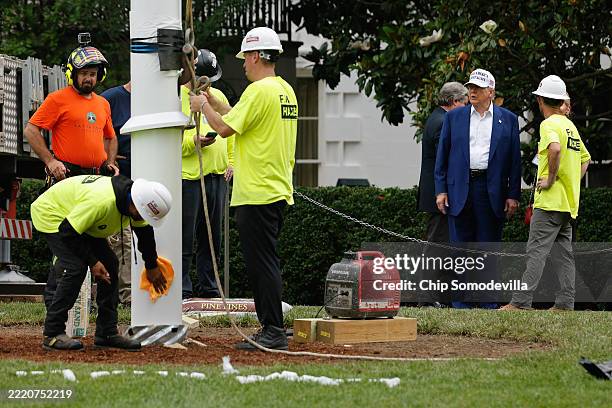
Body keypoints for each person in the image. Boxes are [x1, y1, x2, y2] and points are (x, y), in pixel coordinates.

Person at [190, 27, 297, 350]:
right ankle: (273, 327)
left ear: (254, 56)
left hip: (256, 192)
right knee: (267, 261)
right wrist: (214, 103)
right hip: (275, 188)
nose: (243, 66)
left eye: (244, 59)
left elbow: (223, 128)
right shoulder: (284, 90)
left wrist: (200, 105)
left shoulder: (257, 91)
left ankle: (273, 331)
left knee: (261, 264)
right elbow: (237, 118)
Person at [24, 44, 120, 310]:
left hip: (94, 181)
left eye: (93, 73)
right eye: (84, 73)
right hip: (66, 177)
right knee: (67, 246)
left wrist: (110, 163)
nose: (89, 78)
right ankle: (54, 304)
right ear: (73, 74)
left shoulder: (102, 103)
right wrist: (50, 160)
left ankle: (98, 317)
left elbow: (111, 137)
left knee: (94, 245)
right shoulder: (57, 99)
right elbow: (31, 130)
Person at [31, 174, 172, 351]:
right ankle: (52, 333)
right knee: (75, 267)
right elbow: (68, 232)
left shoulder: (136, 202)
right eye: (142, 214)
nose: (141, 218)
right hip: (54, 215)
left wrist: (151, 265)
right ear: (135, 204)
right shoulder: (101, 202)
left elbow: (145, 235)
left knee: (111, 265)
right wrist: (93, 262)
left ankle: (107, 332)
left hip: (80, 220)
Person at [501, 76, 590, 311]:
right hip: (568, 205)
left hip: (549, 203)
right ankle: (564, 304)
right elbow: (585, 159)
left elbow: (555, 148)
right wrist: (571, 183)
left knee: (536, 252)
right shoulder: (570, 126)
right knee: (563, 255)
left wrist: (550, 180)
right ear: (561, 100)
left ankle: (520, 302)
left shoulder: (549, 124)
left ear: (540, 100)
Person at [434, 68, 521, 308]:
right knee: (460, 249)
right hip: (459, 188)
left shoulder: (509, 119)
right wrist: (441, 189)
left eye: (478, 88)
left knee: (488, 247)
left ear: (490, 92)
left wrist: (513, 194)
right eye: (470, 87)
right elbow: (443, 155)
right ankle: (461, 303)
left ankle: (487, 303)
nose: (472, 91)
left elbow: (515, 161)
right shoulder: (455, 117)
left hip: (490, 189)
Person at [181, 49, 234, 299]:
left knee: (212, 238)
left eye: (209, 81)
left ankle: (209, 288)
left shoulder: (218, 96)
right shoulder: (176, 97)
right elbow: (170, 141)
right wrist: (193, 142)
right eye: (203, 80)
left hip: (217, 176)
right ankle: (182, 288)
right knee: (185, 236)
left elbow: (231, 131)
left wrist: (232, 162)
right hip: (189, 177)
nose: (207, 85)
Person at [417, 82, 468, 307]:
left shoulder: (438, 118)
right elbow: (444, 162)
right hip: (439, 197)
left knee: (443, 248)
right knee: (436, 248)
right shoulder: (441, 122)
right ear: (454, 102)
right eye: (464, 103)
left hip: (440, 196)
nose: (467, 108)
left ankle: (441, 298)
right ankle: (426, 298)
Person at [101, 82, 133, 305]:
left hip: (141, 178)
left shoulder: (156, 100)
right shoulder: (111, 98)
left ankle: (129, 294)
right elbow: (101, 133)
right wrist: (109, 160)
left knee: (129, 238)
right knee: (117, 237)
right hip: (116, 179)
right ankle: (118, 294)